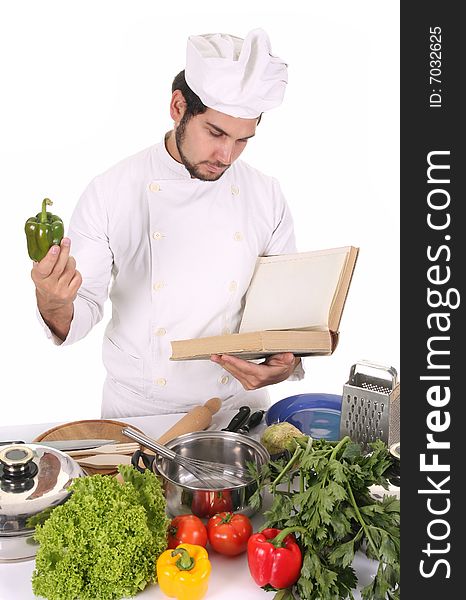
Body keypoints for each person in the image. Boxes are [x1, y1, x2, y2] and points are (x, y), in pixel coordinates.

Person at [30, 28, 304, 418]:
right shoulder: (111, 191)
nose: (226, 156)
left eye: (243, 140)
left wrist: (285, 364)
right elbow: (81, 310)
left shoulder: (266, 194)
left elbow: (283, 315)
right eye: (215, 132)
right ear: (178, 107)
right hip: (141, 414)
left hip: (239, 410)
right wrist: (53, 301)